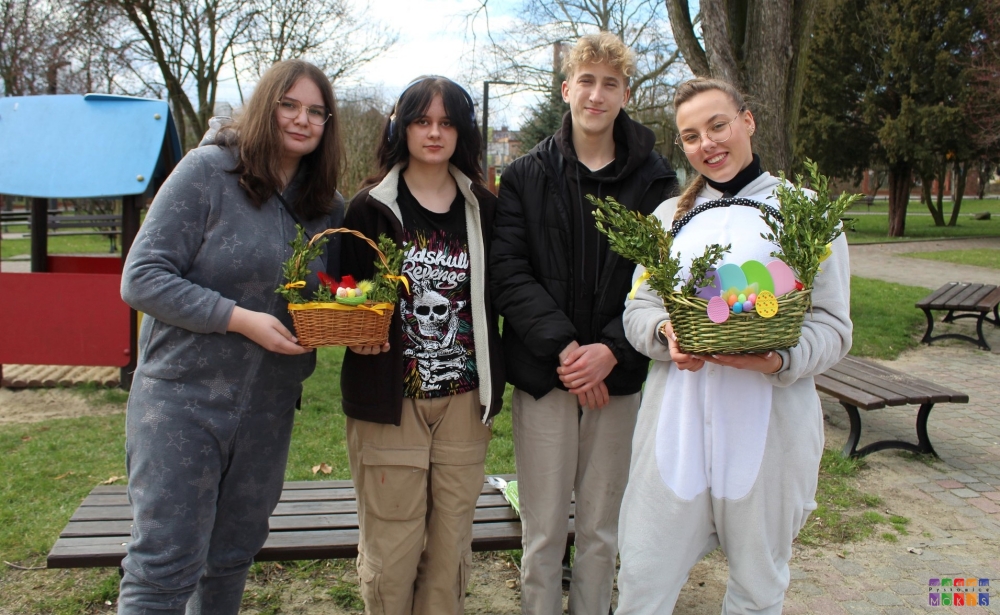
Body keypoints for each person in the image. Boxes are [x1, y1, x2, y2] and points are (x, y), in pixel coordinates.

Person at [614, 77, 853, 614]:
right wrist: (664, 334)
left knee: (757, 588)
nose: (708, 144)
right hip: (675, 431)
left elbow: (833, 326)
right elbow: (638, 309)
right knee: (642, 579)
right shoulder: (669, 218)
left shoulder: (806, 214)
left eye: (718, 125)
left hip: (768, 434)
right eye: (692, 135)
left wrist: (780, 358)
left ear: (747, 120)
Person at [117, 59, 344, 614]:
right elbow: (141, 277)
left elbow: (332, 295)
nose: (302, 119)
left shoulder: (326, 210)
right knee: (164, 566)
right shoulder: (207, 173)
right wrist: (239, 318)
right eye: (289, 105)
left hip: (268, 412)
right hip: (181, 402)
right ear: (266, 106)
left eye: (316, 111)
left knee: (232, 556)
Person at [490, 32, 679, 615]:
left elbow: (663, 280)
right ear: (567, 87)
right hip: (546, 375)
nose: (596, 95)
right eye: (587, 81)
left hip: (616, 381)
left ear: (626, 94)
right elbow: (509, 272)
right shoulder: (524, 174)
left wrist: (612, 352)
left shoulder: (655, 179)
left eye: (611, 83)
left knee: (600, 530)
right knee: (544, 532)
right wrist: (570, 351)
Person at [338, 75, 504, 615]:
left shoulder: (485, 207)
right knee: (394, 543)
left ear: (463, 132)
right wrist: (357, 329)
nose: (434, 133)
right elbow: (344, 293)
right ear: (402, 127)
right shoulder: (369, 207)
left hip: (464, 400)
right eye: (422, 121)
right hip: (391, 404)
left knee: (452, 544)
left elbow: (502, 293)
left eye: (447, 123)